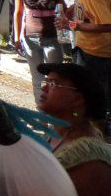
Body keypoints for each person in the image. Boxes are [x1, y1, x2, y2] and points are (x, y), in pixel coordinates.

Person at [57, 0, 111, 132]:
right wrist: (75, 10)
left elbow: (107, 24)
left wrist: (71, 25)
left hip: (95, 53)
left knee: (92, 100)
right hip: (87, 49)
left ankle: (96, 140)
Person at [37, 62, 111, 192]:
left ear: (77, 99)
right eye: (46, 82)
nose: (44, 88)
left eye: (53, 83)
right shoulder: (56, 134)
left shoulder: (88, 159)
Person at [13, 0, 66, 104]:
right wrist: (17, 38)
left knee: (54, 78)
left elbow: (63, 11)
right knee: (37, 79)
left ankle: (53, 114)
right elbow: (18, 13)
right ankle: (41, 111)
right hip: (30, 38)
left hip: (52, 38)